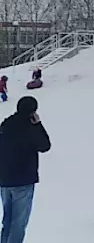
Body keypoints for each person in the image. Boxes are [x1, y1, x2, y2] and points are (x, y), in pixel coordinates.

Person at [0, 96, 52, 243]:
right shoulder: (30, 127)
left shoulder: (5, 125)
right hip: (23, 180)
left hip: (4, 180)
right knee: (18, 222)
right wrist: (38, 125)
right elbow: (45, 145)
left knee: (8, 220)